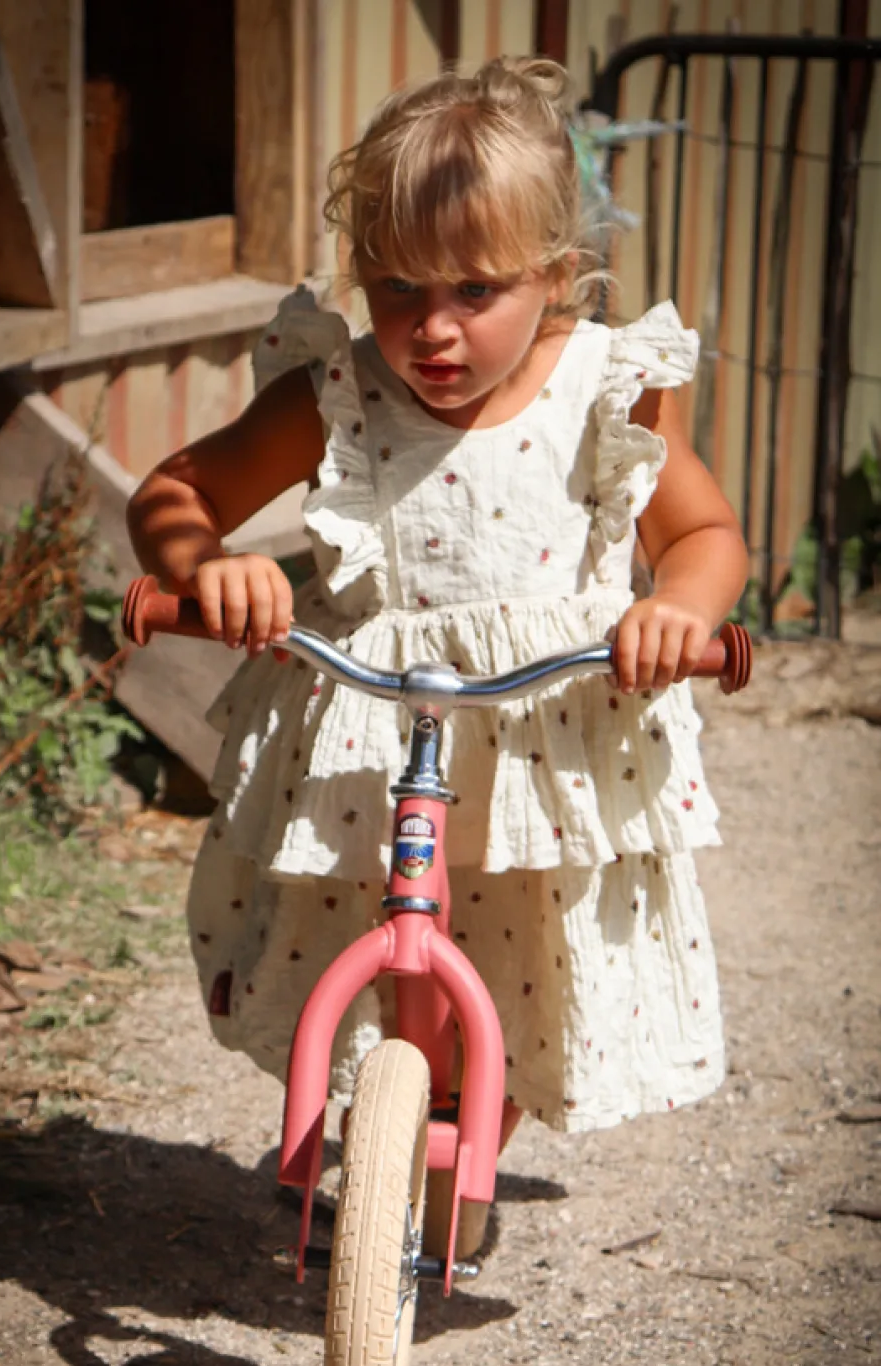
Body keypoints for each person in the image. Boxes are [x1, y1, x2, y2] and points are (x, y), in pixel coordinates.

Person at [127, 56, 749, 1141]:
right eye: (398, 287)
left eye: (475, 289)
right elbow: (177, 493)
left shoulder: (604, 387)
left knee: (524, 956)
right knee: (354, 939)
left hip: (539, 743)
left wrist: (679, 610)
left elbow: (699, 533)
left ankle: (457, 1141)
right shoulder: (337, 395)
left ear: (554, 274)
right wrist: (203, 565)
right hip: (371, 748)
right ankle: (385, 1129)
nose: (432, 327)